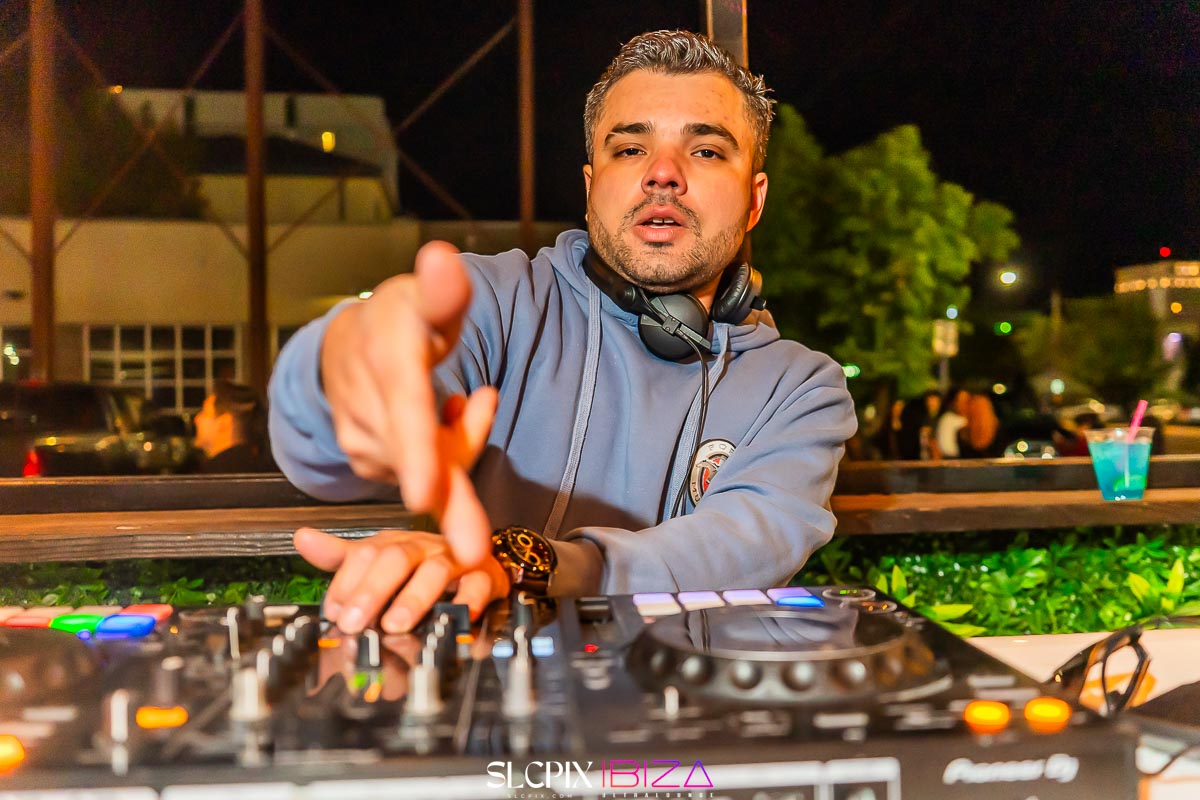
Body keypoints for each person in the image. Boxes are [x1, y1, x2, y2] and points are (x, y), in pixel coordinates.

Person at [268, 30, 857, 635]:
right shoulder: (487, 301)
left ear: (755, 200)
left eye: (705, 151)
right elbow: (322, 450)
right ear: (590, 185)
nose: (662, 173)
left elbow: (737, 547)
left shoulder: (803, 391)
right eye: (629, 149)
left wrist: (527, 564)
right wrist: (335, 373)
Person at [193, 380, 276, 473]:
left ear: (223, 423)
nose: (196, 419)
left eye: (204, 413)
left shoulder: (217, 472)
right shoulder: (263, 464)